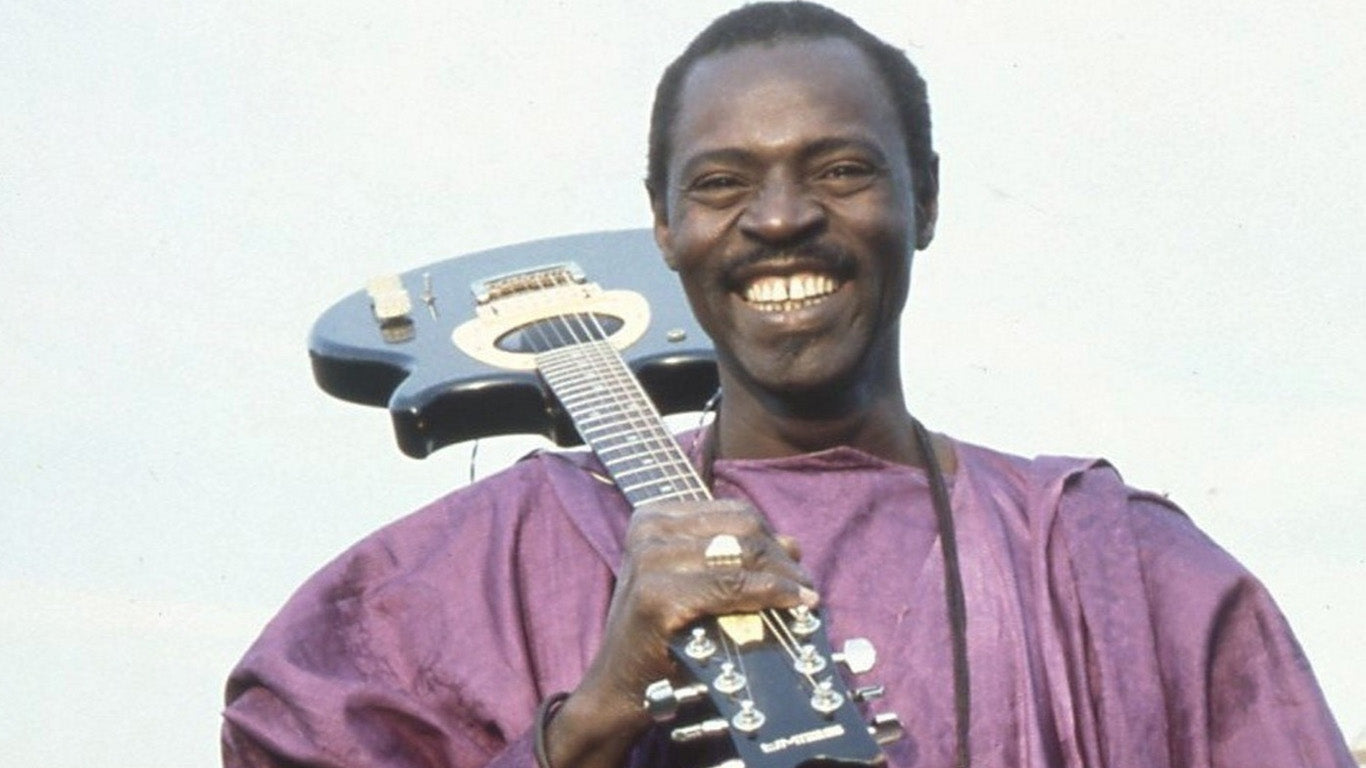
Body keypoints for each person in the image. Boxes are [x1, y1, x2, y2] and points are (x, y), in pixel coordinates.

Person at [221, 3, 1353, 767]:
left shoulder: (1118, 567)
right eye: (723, 183)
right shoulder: (499, 551)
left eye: (841, 169)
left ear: (923, 199)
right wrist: (590, 726)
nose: (779, 219)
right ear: (665, 226)